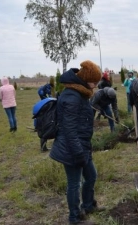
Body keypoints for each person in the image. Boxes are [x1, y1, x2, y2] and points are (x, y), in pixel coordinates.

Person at [49, 60, 103, 225]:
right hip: (71, 148)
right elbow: (69, 129)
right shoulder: (72, 96)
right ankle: (74, 218)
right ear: (86, 79)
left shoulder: (81, 92)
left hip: (81, 145)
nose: (96, 85)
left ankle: (88, 205)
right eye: (94, 81)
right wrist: (78, 152)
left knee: (91, 176)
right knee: (74, 183)